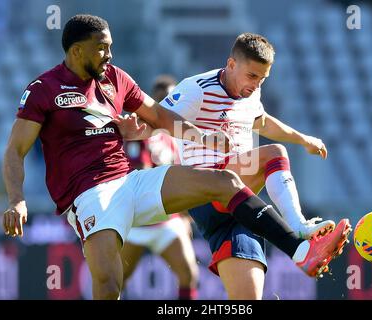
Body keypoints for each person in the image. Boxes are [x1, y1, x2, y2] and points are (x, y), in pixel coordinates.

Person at [2, 14, 351, 300]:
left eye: (110, 47)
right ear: (77, 51)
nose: (109, 55)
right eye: (102, 49)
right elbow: (15, 151)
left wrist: (201, 138)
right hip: (89, 195)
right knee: (109, 285)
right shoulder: (43, 90)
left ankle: (301, 251)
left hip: (132, 181)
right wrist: (17, 200)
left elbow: (159, 116)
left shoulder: (115, 78)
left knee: (224, 182)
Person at [132, 33, 340, 299]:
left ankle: (291, 235)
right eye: (252, 76)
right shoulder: (196, 88)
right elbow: (157, 118)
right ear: (231, 64)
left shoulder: (250, 93)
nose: (256, 84)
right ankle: (298, 228)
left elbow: (262, 122)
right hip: (207, 192)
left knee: (247, 300)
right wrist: (131, 129)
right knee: (274, 154)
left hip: (240, 210)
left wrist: (304, 139)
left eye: (262, 78)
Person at [121, 75, 198, 300]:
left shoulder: (177, 135)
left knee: (188, 275)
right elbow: (142, 174)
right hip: (139, 221)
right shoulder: (141, 129)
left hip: (167, 220)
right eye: (164, 99)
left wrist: (184, 214)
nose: (169, 103)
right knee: (114, 281)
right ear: (154, 101)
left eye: (173, 98)